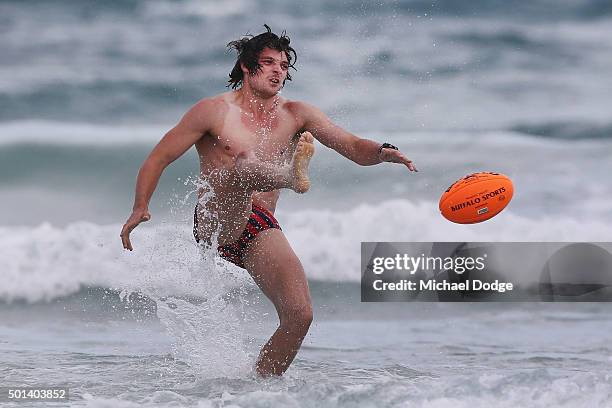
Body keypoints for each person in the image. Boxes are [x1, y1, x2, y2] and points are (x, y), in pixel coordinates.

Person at [120, 25, 417, 377]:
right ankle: (288, 176)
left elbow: (351, 146)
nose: (279, 71)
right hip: (216, 219)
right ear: (247, 67)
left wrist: (382, 152)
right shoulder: (213, 111)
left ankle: (259, 388)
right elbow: (158, 158)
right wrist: (140, 206)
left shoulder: (296, 114)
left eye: (284, 65)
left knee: (300, 315)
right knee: (241, 166)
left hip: (258, 227)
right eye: (269, 63)